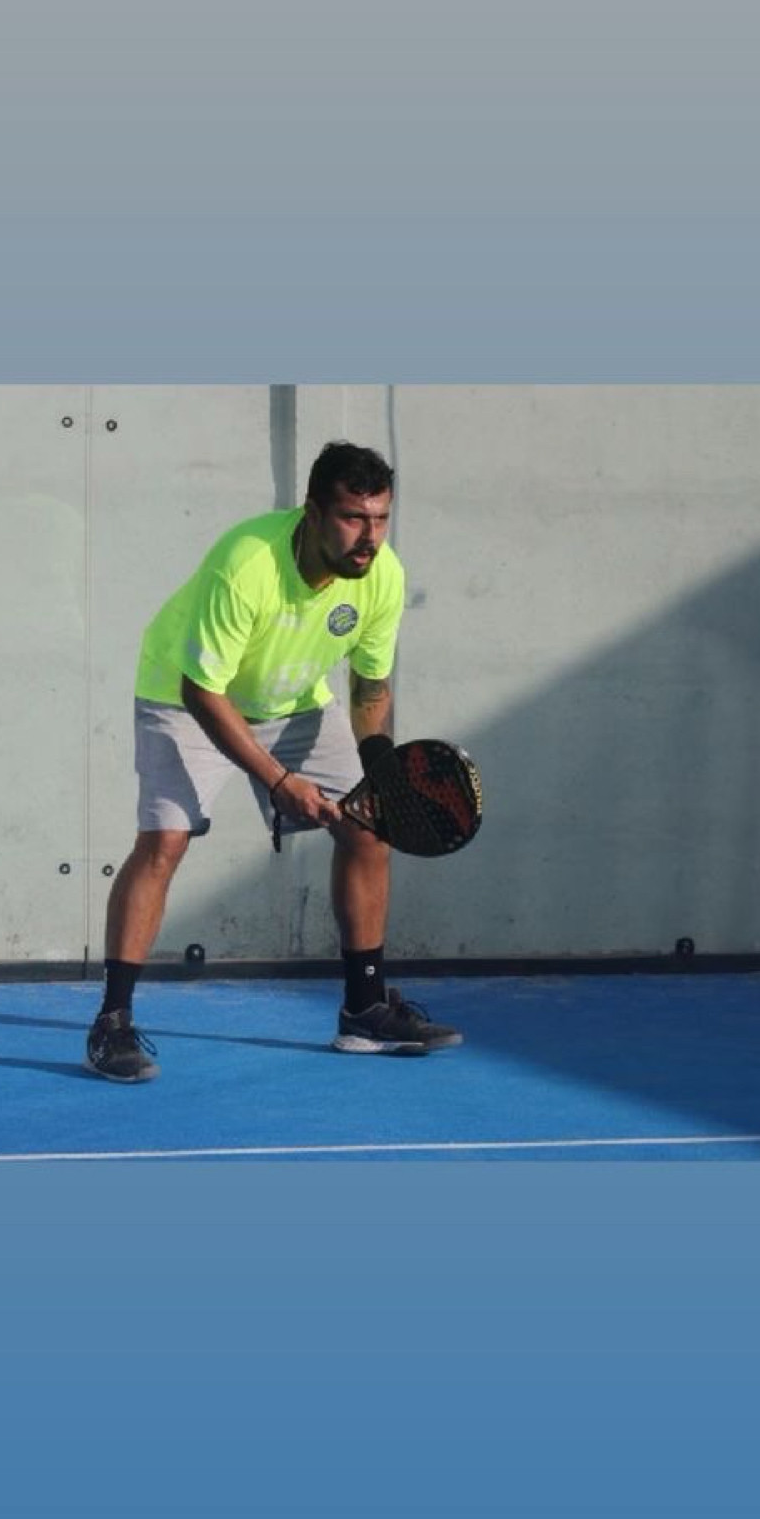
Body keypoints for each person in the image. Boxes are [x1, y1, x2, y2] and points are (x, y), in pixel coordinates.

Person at [85, 440, 463, 1081]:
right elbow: (202, 692)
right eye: (352, 518)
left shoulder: (383, 576)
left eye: (380, 518)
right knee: (165, 841)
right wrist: (280, 781)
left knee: (370, 829)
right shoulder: (247, 564)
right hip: (185, 694)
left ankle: (365, 1010)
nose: (369, 537)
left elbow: (370, 687)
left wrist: (379, 770)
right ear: (312, 513)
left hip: (293, 700)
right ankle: (112, 1023)